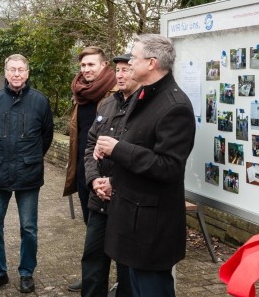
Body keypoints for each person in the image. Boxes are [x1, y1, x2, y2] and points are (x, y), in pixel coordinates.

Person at [94, 34, 196, 296]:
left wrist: (118, 149)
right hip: (130, 219)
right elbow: (141, 148)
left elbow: (169, 166)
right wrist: (114, 180)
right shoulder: (143, 95)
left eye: (134, 57)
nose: (129, 60)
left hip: (152, 228)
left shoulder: (175, 106)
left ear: (151, 63)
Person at [0, 54, 54, 294]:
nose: (16, 74)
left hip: (28, 173)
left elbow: (46, 136)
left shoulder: (40, 102)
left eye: (20, 70)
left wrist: (30, 157)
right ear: (5, 72)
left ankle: (26, 273)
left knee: (29, 228)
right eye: (12, 69)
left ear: (27, 73)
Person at [80, 53, 137, 297]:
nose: (121, 74)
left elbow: (142, 155)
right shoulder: (107, 104)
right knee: (92, 261)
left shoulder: (144, 108)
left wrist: (114, 183)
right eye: (119, 70)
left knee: (127, 266)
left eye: (127, 69)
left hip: (126, 200)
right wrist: (94, 181)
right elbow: (90, 146)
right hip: (99, 200)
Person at [64, 46, 116, 292]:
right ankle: (93, 279)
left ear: (104, 65)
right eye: (83, 65)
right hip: (86, 173)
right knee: (92, 231)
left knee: (115, 231)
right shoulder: (80, 95)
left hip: (110, 177)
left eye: (91, 65)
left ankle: (120, 278)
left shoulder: (114, 94)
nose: (85, 70)